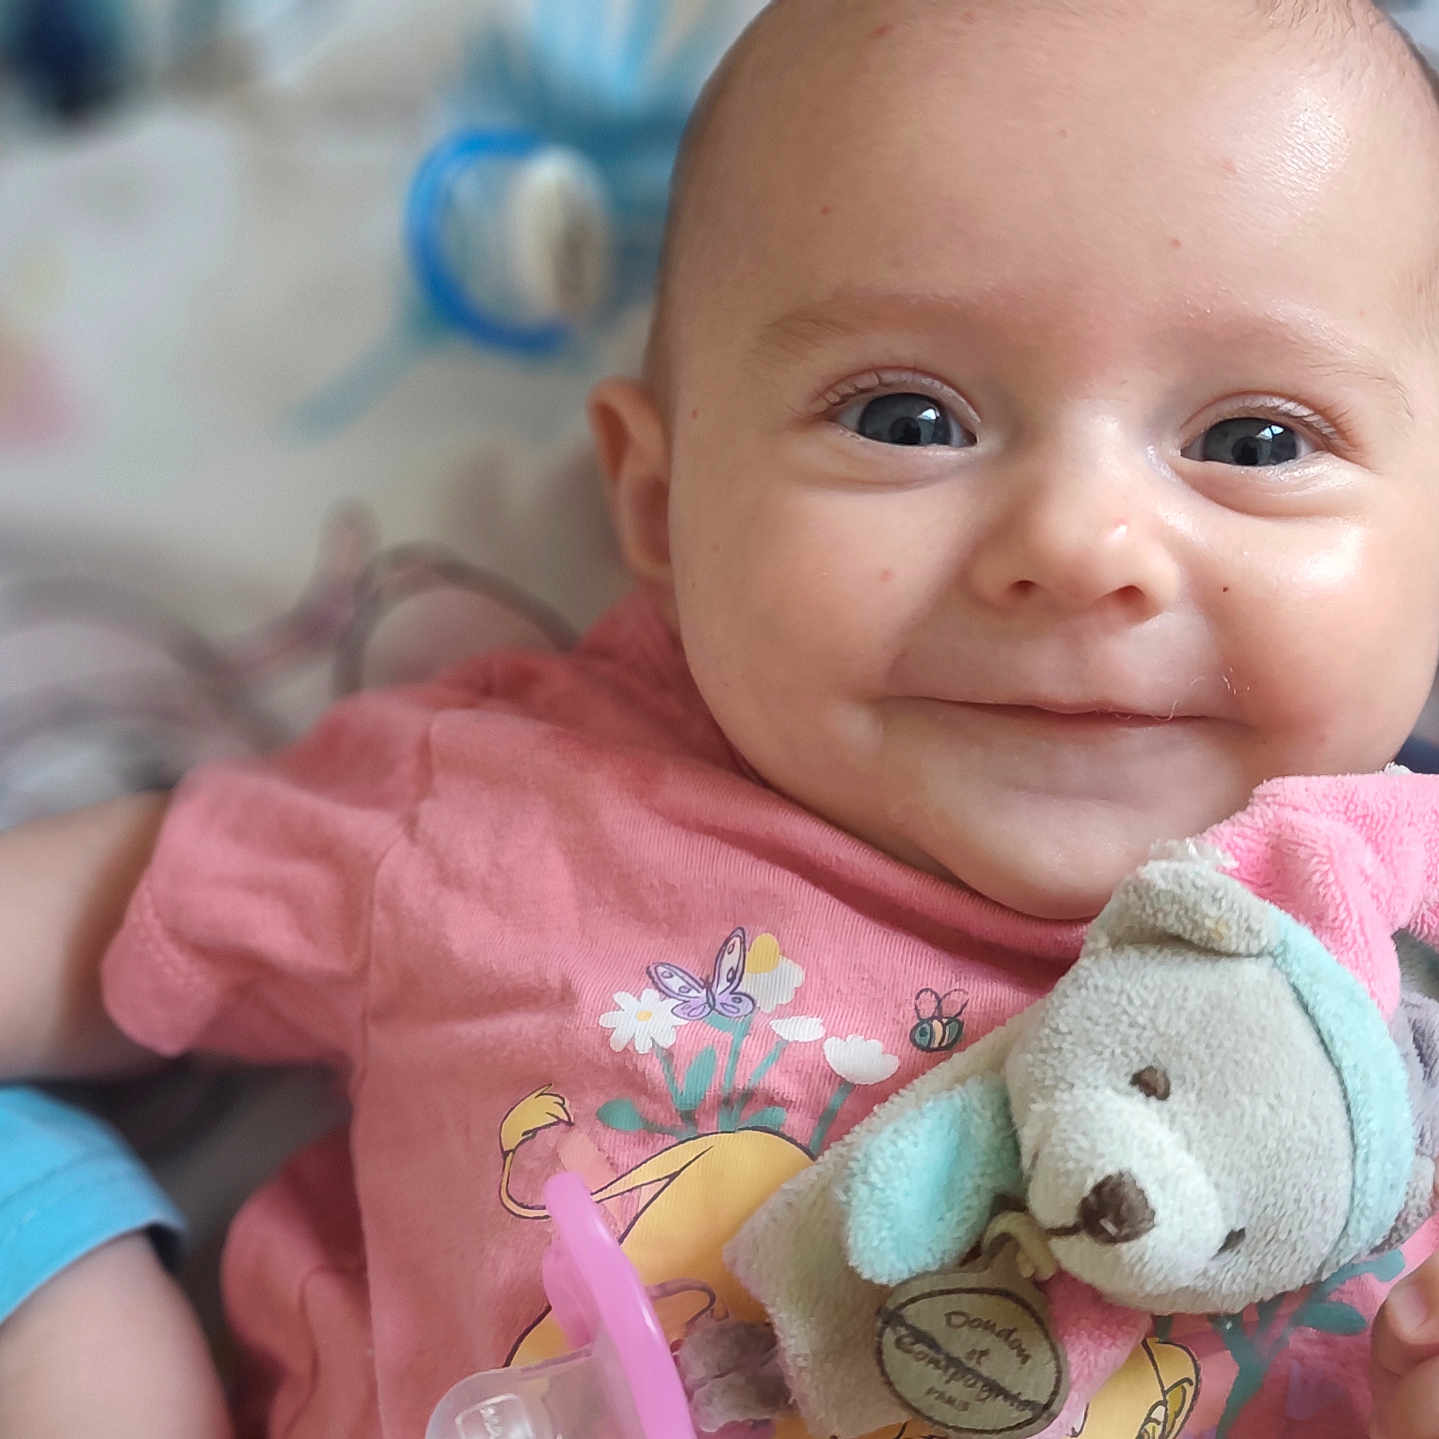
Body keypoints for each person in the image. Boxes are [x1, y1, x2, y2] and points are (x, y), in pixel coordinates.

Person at [4, 0, 1439, 1435]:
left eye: (1256, 441)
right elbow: (112, 906)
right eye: (907, 419)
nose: (1077, 543)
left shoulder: (1404, 946)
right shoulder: (511, 803)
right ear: (658, 503)